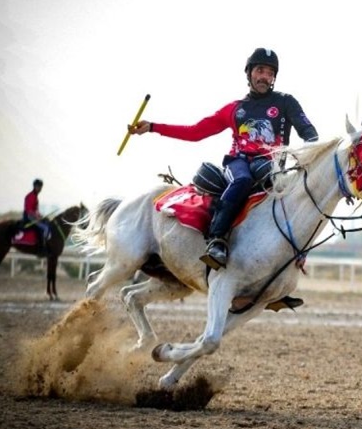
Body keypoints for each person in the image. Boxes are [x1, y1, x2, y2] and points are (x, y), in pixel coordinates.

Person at [128, 47, 319, 269]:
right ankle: (216, 240)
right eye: (260, 71)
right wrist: (152, 127)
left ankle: (294, 254)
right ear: (249, 73)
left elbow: (310, 134)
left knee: (296, 193)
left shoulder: (286, 102)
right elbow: (195, 131)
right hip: (238, 163)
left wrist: (310, 157)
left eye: (269, 73)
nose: (265, 77)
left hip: (271, 166)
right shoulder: (234, 109)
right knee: (243, 181)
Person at [23, 178, 51, 250]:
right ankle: (42, 247)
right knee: (45, 228)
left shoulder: (36, 197)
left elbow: (36, 210)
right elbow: (29, 210)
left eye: (41, 187)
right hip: (28, 217)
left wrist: (41, 216)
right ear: (34, 186)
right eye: (38, 186)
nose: (40, 188)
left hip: (33, 217)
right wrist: (37, 217)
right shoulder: (30, 196)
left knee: (47, 222)